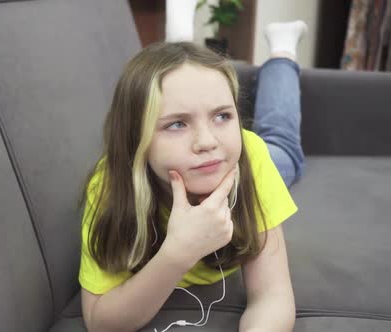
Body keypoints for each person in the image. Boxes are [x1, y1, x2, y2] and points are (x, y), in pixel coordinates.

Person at [78, 19, 308, 332]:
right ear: (136, 140)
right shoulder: (109, 186)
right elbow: (100, 322)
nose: (207, 141)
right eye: (177, 124)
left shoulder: (250, 156)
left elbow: (272, 296)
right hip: (213, 164)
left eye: (223, 115)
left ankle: (282, 53)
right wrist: (177, 253)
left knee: (281, 145)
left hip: (241, 161)